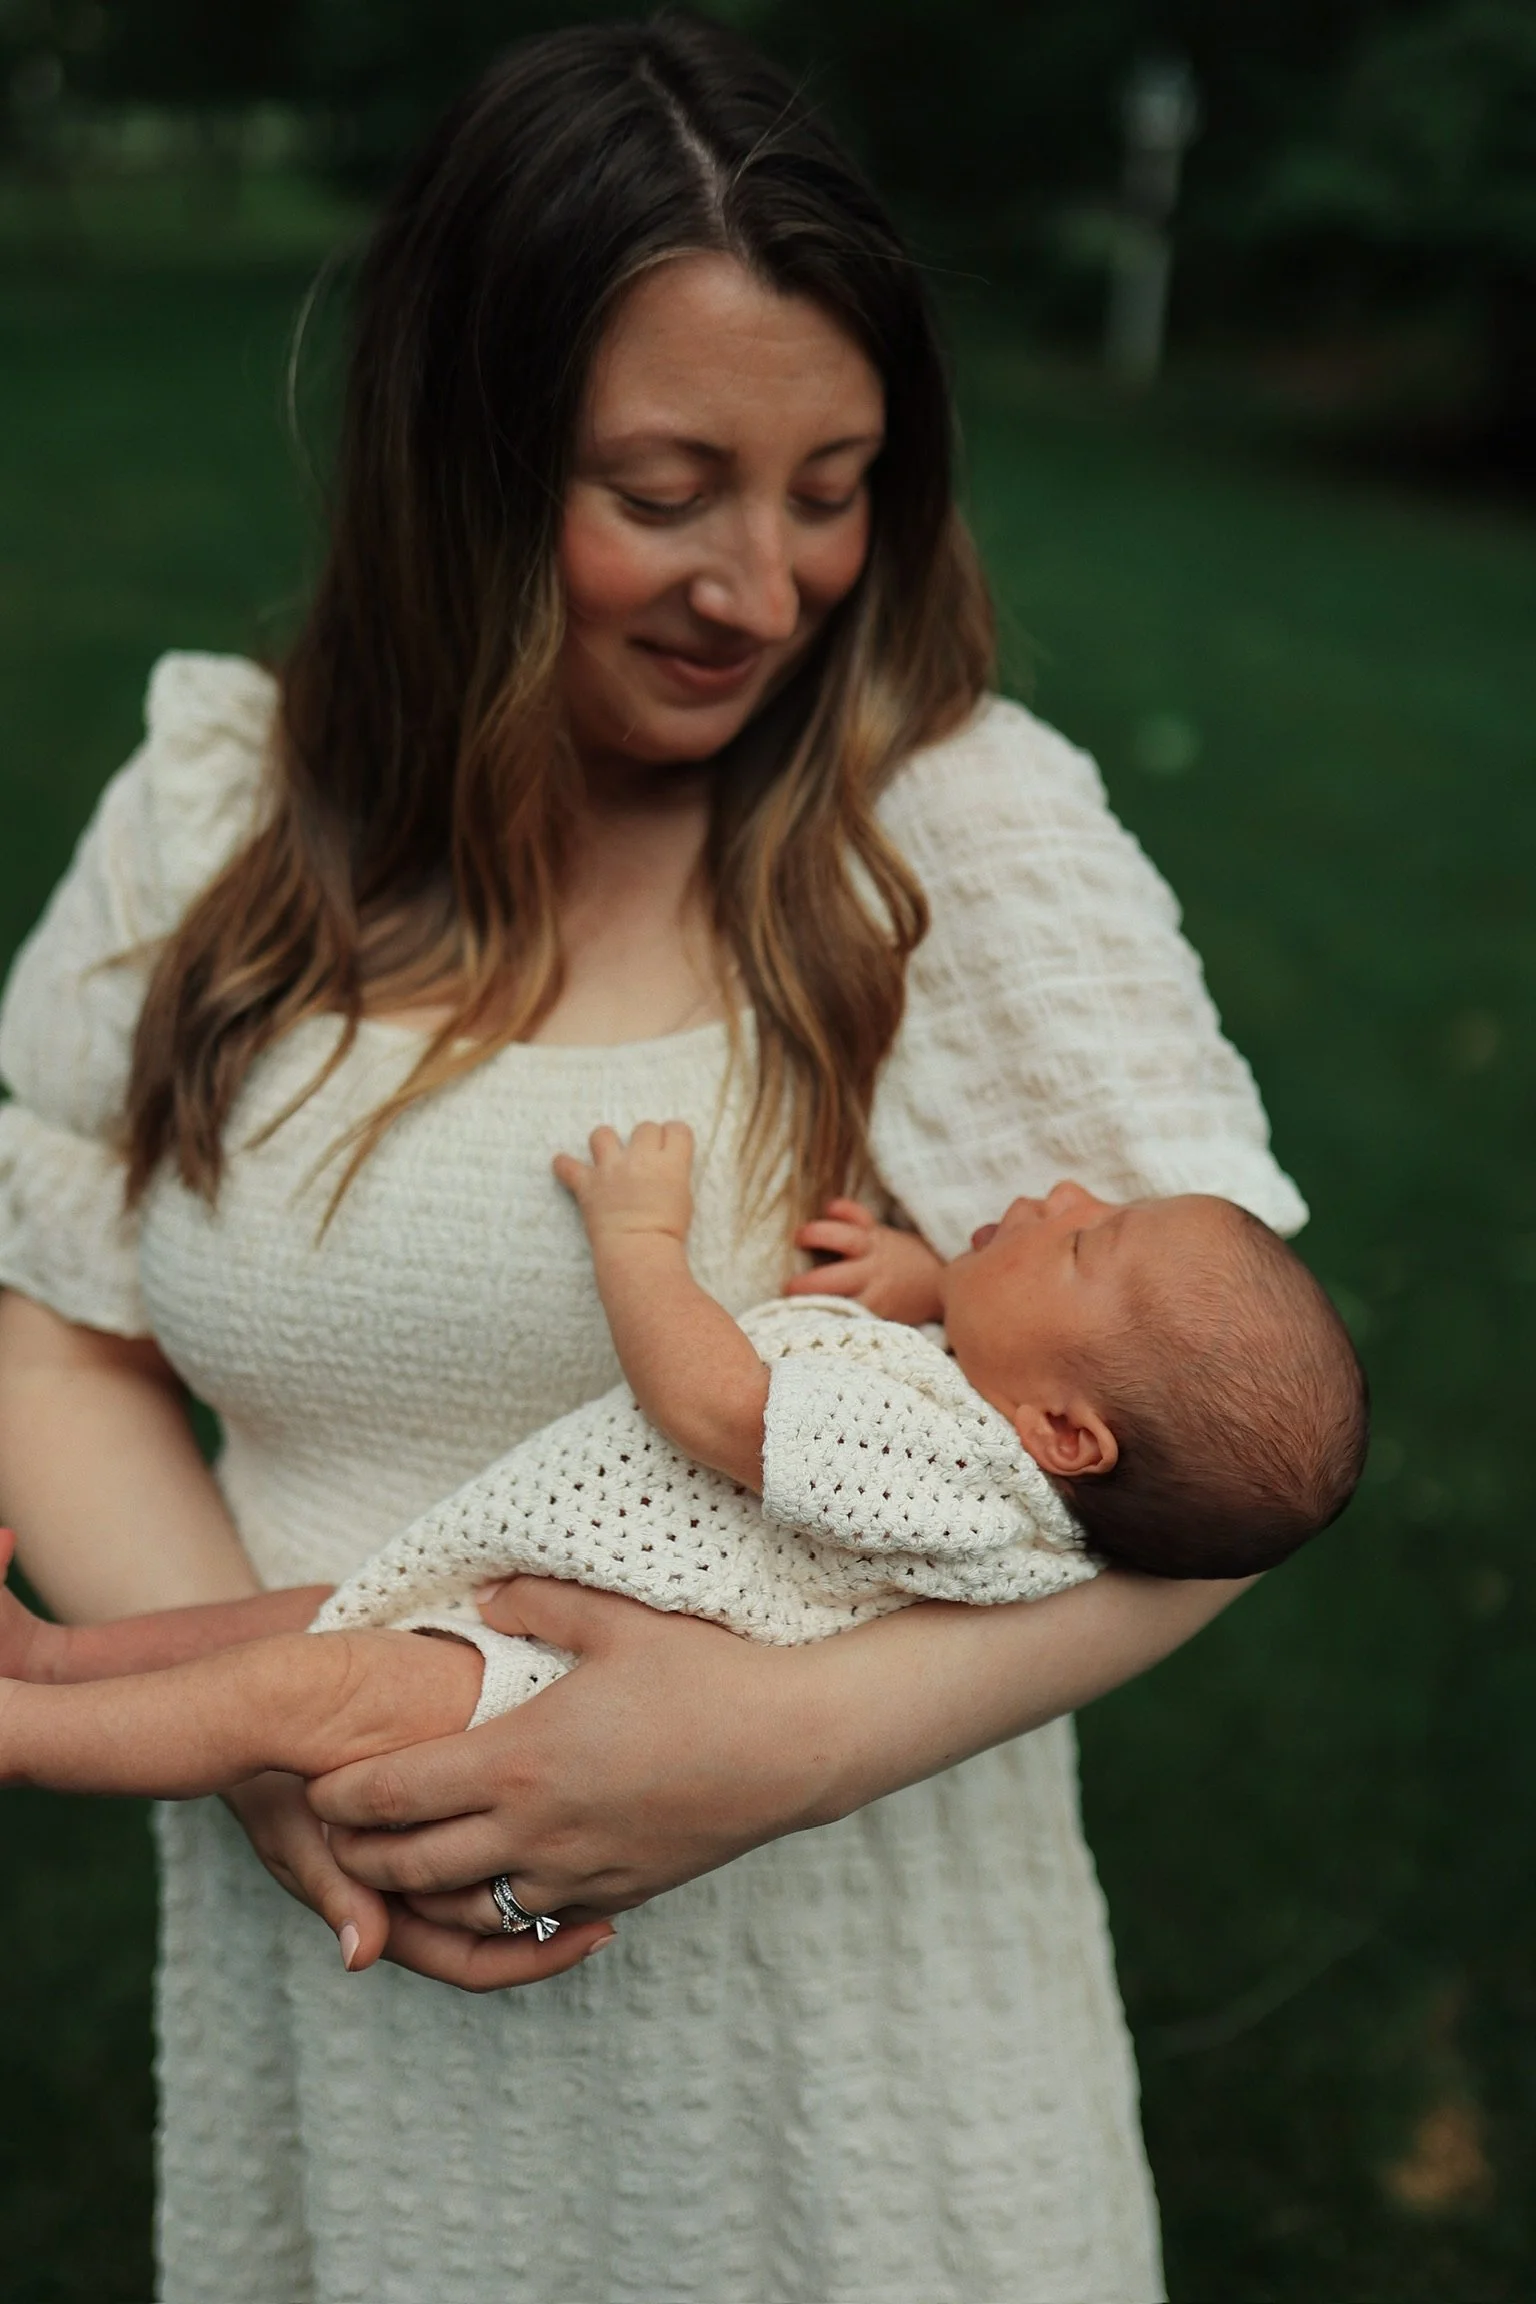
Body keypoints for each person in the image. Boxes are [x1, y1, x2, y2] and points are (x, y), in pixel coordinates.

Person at [0, 17, 1310, 2303]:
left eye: (837, 483)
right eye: (666, 483)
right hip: (339, 1962)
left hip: (830, 2032)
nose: (770, 585)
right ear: (466, 458)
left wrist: (770, 1752)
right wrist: (274, 1757)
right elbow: (62, 1325)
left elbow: (1225, 1468)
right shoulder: (210, 819)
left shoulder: (943, 837)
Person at [0, 1128, 1365, 1843]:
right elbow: (940, 1376)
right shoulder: (997, 1460)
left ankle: (29, 1733)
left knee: (307, 1680)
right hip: (540, 1611)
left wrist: (640, 1237)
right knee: (303, 1619)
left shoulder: (958, 1473)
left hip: (568, 1692)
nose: (1066, 1193)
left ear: (1065, 1433)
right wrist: (924, 1282)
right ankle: (57, 1659)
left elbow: (715, 1404)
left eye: (1087, 1247)